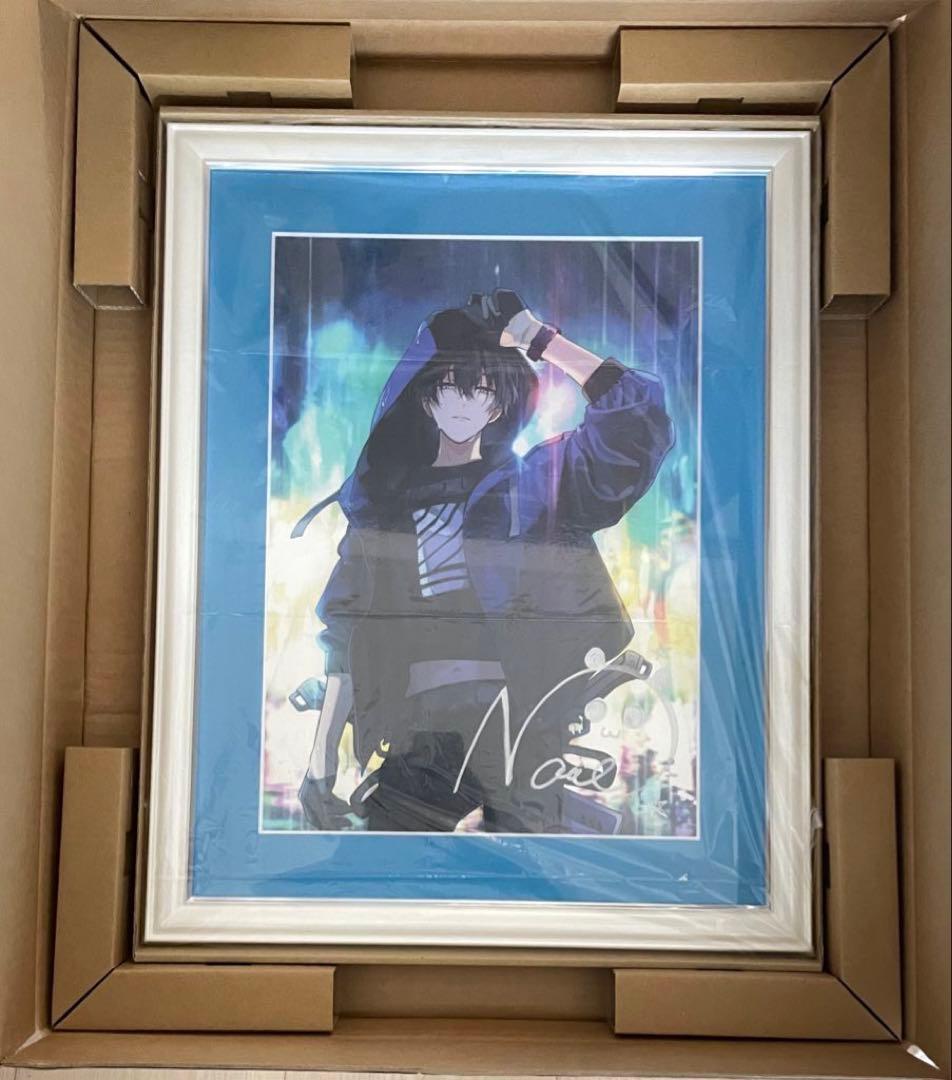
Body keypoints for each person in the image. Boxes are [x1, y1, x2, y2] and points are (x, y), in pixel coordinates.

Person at [293, 289, 675, 833]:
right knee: (392, 862)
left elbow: (635, 419)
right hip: (419, 737)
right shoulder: (382, 512)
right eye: (450, 385)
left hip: (517, 724)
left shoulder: (532, 489)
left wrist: (538, 339)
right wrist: (320, 764)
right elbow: (345, 640)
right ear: (426, 397)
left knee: (534, 865)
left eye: (481, 389)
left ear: (499, 403)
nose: (462, 401)